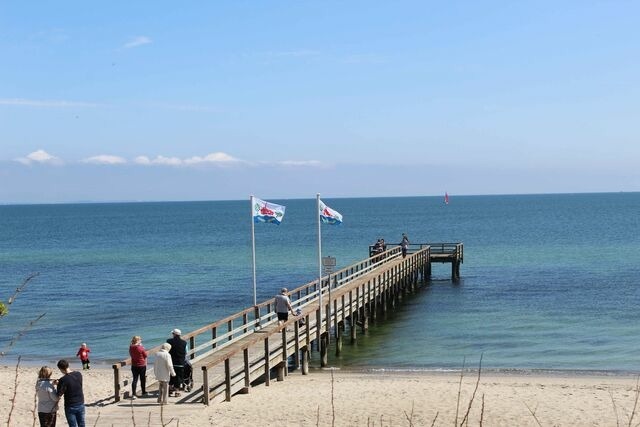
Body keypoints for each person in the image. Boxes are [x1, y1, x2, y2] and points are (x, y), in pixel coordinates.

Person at [56, 359, 85, 427]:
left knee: (72, 425)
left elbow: (59, 394)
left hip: (70, 405)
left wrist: (58, 384)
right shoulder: (79, 374)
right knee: (82, 424)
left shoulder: (63, 379)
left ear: (61, 369)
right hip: (80, 402)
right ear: (68, 365)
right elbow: (73, 384)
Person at [166, 328, 187, 397]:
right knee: (178, 377)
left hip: (171, 362)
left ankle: (169, 389)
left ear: (174, 334)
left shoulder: (169, 341)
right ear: (180, 335)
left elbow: (167, 350)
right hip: (180, 362)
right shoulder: (184, 343)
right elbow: (186, 351)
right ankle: (177, 391)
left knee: (171, 376)